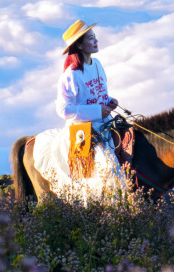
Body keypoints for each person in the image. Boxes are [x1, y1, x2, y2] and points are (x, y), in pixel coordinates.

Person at [33, 20, 124, 200]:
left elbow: (99, 93)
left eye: (95, 37)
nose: (96, 41)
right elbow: (63, 109)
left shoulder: (97, 64)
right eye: (91, 39)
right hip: (83, 130)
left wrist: (108, 102)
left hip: (104, 122)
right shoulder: (70, 75)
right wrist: (97, 112)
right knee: (107, 165)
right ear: (80, 45)